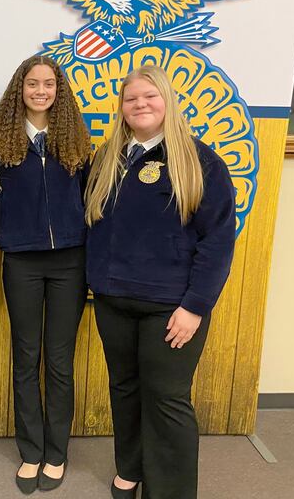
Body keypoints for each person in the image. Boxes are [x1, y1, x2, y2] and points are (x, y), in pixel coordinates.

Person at [84, 65, 236, 499]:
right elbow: (96, 226)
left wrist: (195, 306)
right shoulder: (108, 158)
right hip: (113, 300)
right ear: (122, 108)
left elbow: (218, 240)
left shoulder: (200, 161)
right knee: (124, 389)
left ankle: (169, 491)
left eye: (150, 96)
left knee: (166, 399)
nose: (140, 105)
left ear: (168, 100)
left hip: (172, 307)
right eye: (131, 98)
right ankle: (129, 469)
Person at [0, 55, 92, 493]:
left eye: (49, 84)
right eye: (33, 83)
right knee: (26, 358)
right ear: (20, 89)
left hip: (70, 263)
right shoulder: (2, 148)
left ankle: (57, 452)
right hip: (22, 263)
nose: (41, 91)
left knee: (60, 362)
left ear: (58, 91)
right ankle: (31, 452)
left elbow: (93, 205)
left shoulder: (77, 146)